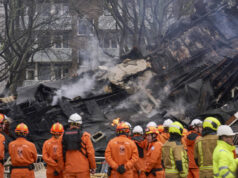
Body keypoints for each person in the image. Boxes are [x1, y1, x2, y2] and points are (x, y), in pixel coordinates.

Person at [62, 113, 96, 178]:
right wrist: (93, 167)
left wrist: (62, 167)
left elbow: (60, 154)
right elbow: (90, 153)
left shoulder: (63, 136)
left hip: (69, 169)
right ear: (80, 124)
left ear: (69, 123)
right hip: (83, 170)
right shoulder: (85, 136)